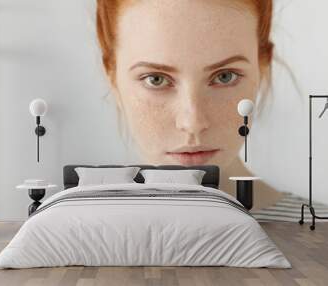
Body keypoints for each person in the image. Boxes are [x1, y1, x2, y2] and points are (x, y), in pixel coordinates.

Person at [96, 0, 283, 209]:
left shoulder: (320, 235)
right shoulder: (73, 236)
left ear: (263, 67)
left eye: (225, 76)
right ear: (112, 77)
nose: (192, 123)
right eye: (156, 79)